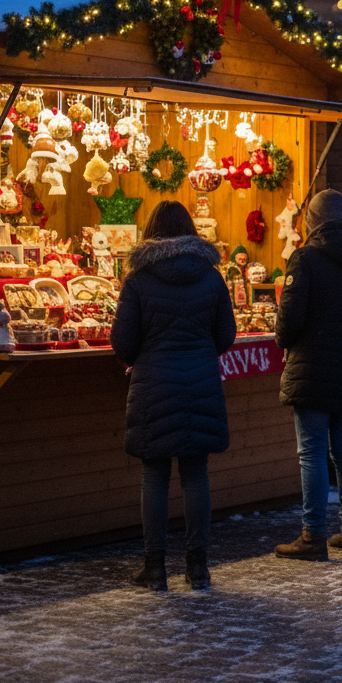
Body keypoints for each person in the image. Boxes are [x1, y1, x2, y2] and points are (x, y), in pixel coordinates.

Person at [110, 200, 236, 592]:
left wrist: (146, 355)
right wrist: (198, 352)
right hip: (200, 380)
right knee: (196, 473)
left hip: (154, 384)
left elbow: (123, 342)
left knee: (155, 474)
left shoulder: (138, 279)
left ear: (151, 232)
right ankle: (199, 569)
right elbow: (226, 336)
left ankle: (155, 568)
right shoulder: (212, 278)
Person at [275, 189, 342, 560]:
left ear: (312, 220)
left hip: (312, 366)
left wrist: (283, 340)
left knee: (313, 453)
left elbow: (289, 318)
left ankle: (313, 536)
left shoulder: (305, 259)